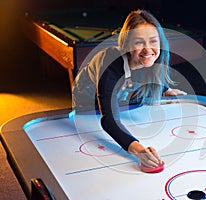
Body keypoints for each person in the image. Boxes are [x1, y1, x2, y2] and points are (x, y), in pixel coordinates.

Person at [72, 9, 186, 169]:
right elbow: (109, 119)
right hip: (87, 102)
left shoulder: (150, 60)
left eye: (153, 41)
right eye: (139, 42)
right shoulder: (109, 61)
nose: (148, 49)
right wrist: (138, 150)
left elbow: (149, 75)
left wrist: (165, 90)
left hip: (116, 93)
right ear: (126, 45)